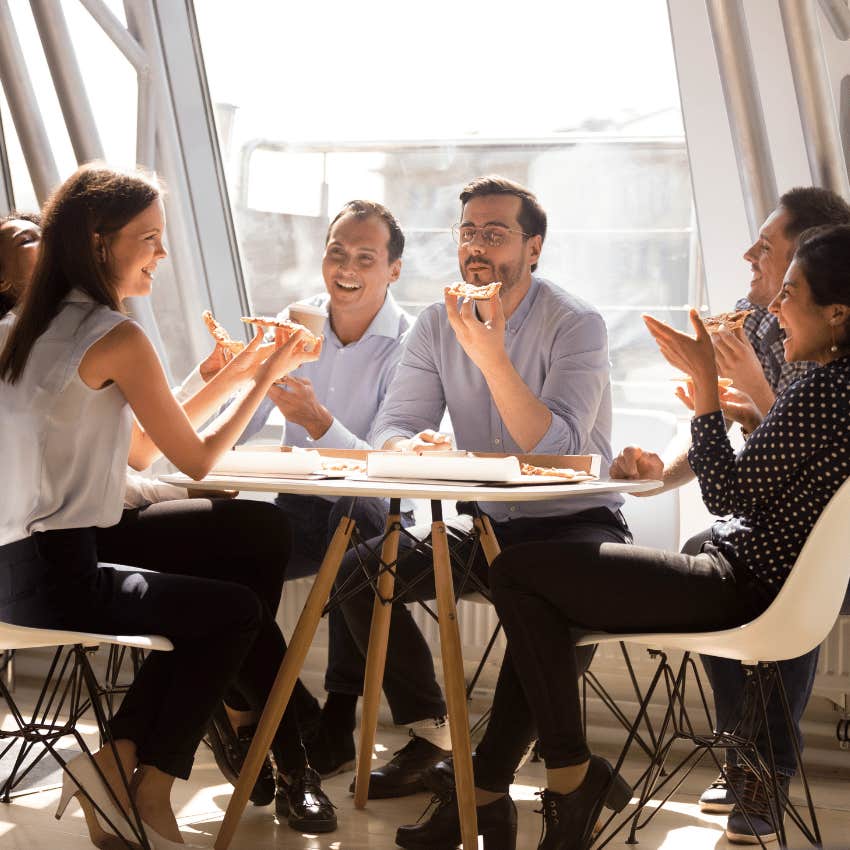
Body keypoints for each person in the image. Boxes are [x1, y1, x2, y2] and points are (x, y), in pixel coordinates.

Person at [487, 223, 850, 850]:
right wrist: (726, 408)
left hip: (741, 588)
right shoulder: (834, 389)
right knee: (536, 587)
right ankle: (554, 779)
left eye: (789, 293)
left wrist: (706, 389)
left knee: (519, 574)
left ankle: (567, 780)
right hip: (751, 581)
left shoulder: (822, 389)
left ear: (838, 313)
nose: (773, 308)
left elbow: (728, 495)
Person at [0, 165, 323, 849]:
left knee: (249, 551)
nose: (162, 255)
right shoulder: (113, 333)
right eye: (149, 238)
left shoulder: (24, 329)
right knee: (236, 606)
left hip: (18, 570)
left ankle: (140, 765)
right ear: (98, 242)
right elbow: (197, 462)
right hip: (60, 574)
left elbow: (144, 449)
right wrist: (268, 375)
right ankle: (143, 768)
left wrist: (237, 373)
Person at [324, 176, 631, 837]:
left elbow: (556, 448)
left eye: (495, 234)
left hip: (576, 528)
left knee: (534, 604)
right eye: (468, 232)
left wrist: (491, 357)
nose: (476, 247)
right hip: (490, 533)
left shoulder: (577, 324)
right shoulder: (438, 324)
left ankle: (480, 789)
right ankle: (435, 735)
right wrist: (413, 444)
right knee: (355, 575)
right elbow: (393, 423)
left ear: (535, 248)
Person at [611, 186, 850, 843]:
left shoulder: (821, 374)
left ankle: (762, 765)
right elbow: (764, 449)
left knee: (755, 572)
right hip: (776, 530)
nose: (755, 267)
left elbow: (756, 470)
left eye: (772, 256)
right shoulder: (788, 336)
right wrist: (661, 468)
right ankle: (747, 756)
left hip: (804, 551)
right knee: (706, 545)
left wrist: (723, 392)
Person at [237, 200, 415, 778]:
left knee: (355, 545)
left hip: (378, 508)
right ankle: (284, 709)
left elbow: (391, 467)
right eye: (337, 251)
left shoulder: (412, 346)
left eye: (366, 257)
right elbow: (240, 426)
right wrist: (239, 376)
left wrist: (319, 423)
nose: (347, 266)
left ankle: (338, 718)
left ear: (393, 270)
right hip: (301, 501)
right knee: (227, 561)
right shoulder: (297, 325)